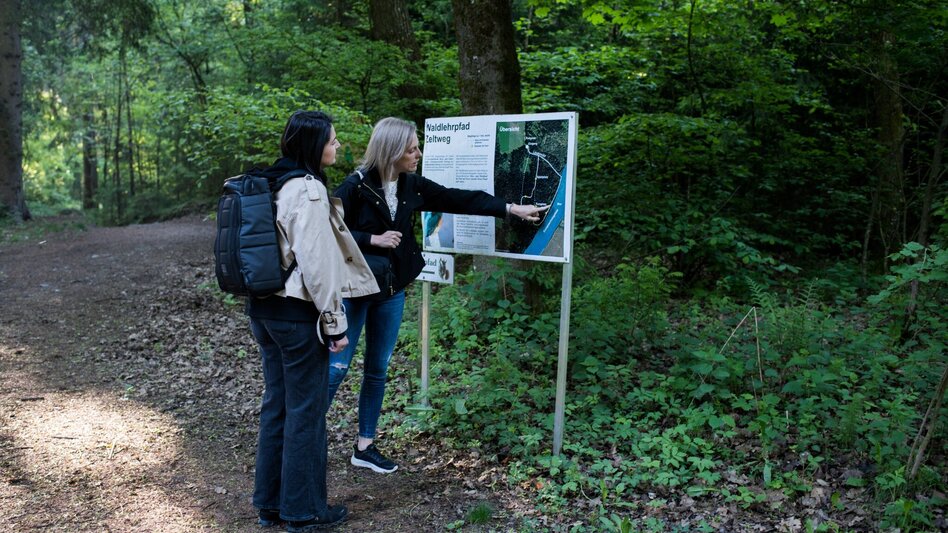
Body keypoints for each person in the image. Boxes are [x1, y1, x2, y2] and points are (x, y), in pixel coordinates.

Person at [329, 117, 548, 473]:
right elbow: (330, 232)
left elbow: (459, 199)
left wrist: (509, 208)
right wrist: (373, 239)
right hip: (354, 291)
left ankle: (364, 445)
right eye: (411, 148)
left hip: (392, 291)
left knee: (378, 369)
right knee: (336, 370)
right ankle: (303, 439)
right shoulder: (354, 186)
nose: (418, 153)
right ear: (392, 151)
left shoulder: (410, 185)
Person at [246, 111, 378, 531]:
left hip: (264, 311)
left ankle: (271, 505)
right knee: (305, 411)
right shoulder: (306, 189)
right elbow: (318, 265)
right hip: (297, 316)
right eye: (332, 140)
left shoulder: (269, 182)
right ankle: (304, 512)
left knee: (278, 406)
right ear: (312, 146)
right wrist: (335, 323)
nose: (338, 147)